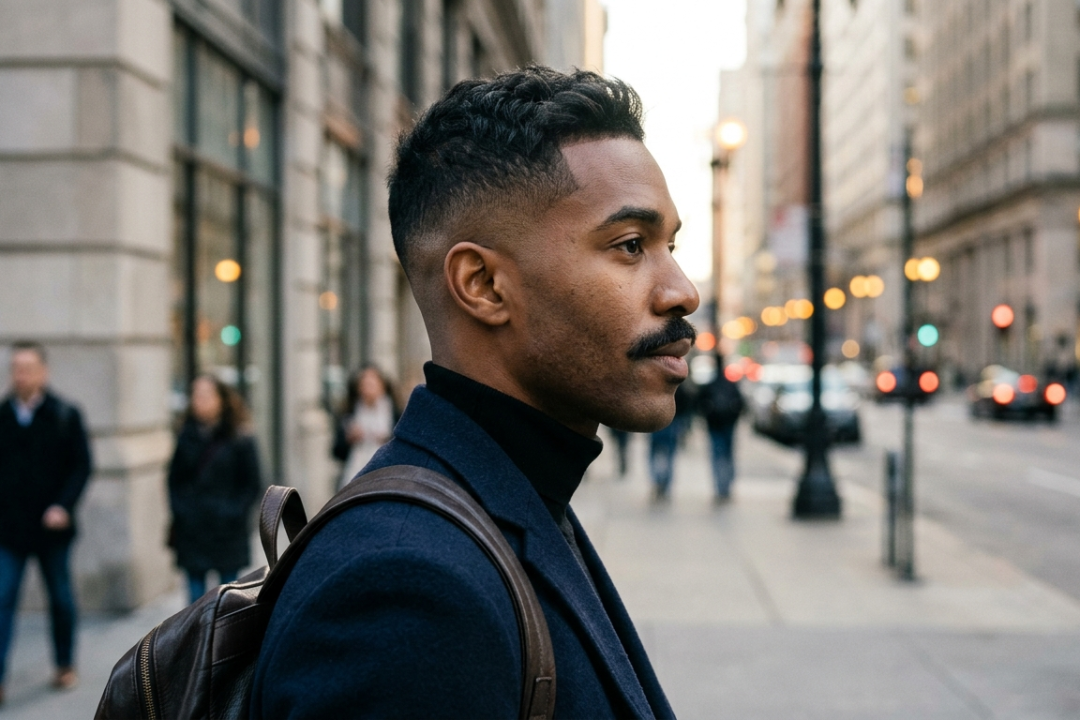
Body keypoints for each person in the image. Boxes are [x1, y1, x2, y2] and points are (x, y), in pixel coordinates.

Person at [252, 66, 697, 718]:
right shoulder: (406, 590)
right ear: (483, 285)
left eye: (671, 245)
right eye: (631, 245)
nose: (682, 290)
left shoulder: (511, 495)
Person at [0, 342, 92, 702]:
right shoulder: (3, 416)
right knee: (3, 598)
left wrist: (62, 506)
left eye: (27, 368)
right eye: (15, 368)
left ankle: (65, 663)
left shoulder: (64, 414)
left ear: (43, 372)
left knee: (60, 598)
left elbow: (81, 465)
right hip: (9, 530)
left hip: (52, 530)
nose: (20, 375)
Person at [167, 375, 262, 605]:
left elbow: (252, 484)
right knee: (194, 604)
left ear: (221, 399)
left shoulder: (240, 438)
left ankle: (224, 643)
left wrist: (232, 512)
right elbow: (174, 481)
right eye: (196, 395)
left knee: (228, 600)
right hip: (193, 529)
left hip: (226, 530)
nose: (200, 401)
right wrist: (183, 512)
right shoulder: (185, 435)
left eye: (206, 395)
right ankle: (197, 642)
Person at [332, 365, 399, 488]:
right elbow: (337, 451)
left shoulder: (395, 413)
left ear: (382, 386)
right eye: (364, 384)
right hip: (354, 476)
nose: (368, 389)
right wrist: (350, 439)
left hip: (387, 475)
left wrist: (387, 439)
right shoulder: (349, 413)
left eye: (372, 384)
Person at [697, 353, 745, 503]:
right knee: (728, 456)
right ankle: (726, 487)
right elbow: (741, 404)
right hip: (727, 425)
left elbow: (699, 403)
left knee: (717, 457)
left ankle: (720, 487)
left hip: (715, 426)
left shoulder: (710, 384)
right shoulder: (730, 384)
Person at [648, 381, 695, 501]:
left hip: (656, 421)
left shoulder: (655, 383)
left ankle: (657, 480)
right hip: (673, 423)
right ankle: (665, 483)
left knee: (655, 453)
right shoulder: (677, 384)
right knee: (669, 454)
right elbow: (686, 402)